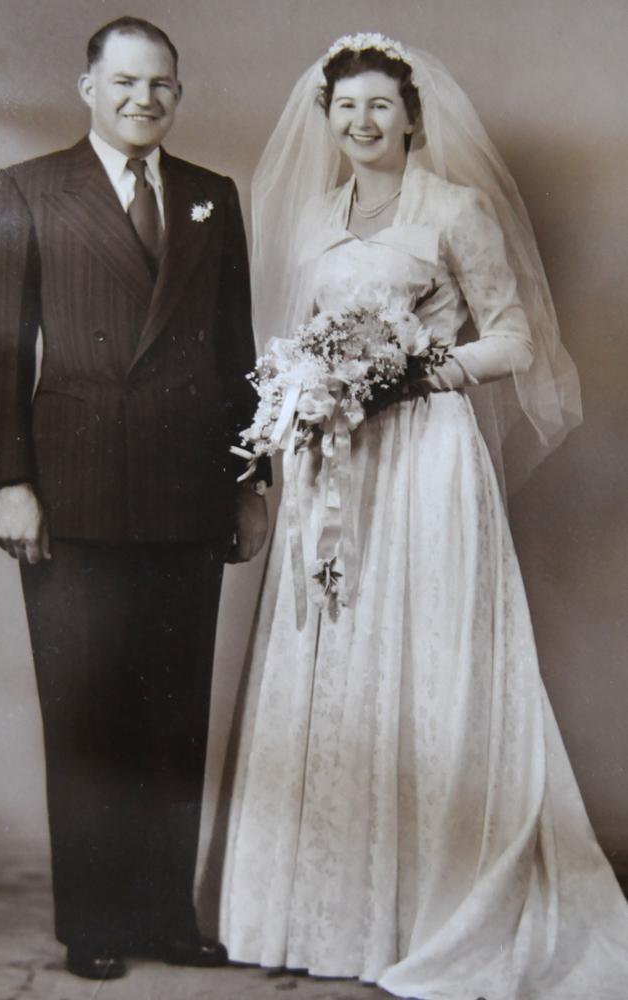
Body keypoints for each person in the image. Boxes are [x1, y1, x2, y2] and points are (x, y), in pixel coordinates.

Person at [219, 34, 628, 999]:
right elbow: (296, 340)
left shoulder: (455, 209)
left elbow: (518, 337)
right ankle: (330, 916)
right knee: (340, 657)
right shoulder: (317, 217)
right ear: (329, 121)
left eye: (378, 107)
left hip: (428, 459)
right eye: (345, 108)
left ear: (411, 117)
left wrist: (417, 369)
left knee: (427, 652)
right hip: (338, 466)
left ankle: (431, 908)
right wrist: (308, 392)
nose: (361, 123)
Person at [0, 16, 268, 982]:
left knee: (175, 715)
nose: (145, 101)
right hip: (76, 494)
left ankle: (161, 915)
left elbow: (238, 355)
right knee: (89, 716)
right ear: (87, 87)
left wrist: (249, 483)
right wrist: (11, 482)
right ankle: (94, 920)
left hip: (188, 494)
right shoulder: (26, 190)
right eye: (127, 83)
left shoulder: (210, 197)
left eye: (163, 87)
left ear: (178, 96)